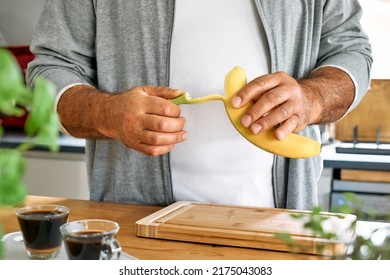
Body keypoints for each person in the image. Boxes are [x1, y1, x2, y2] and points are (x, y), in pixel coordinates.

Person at [27, 0, 372, 210]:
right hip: (138, 230)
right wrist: (108, 114)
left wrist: (312, 98)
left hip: (278, 225)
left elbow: (351, 49)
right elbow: (49, 68)